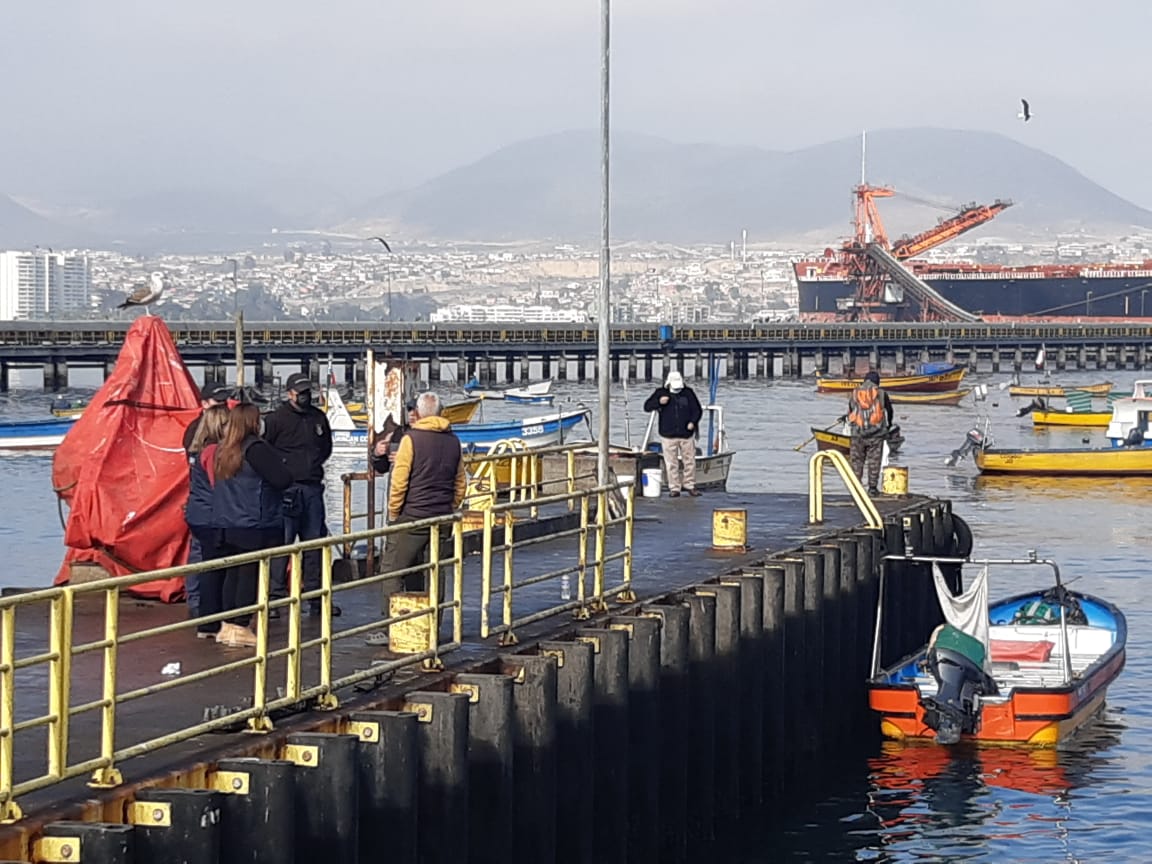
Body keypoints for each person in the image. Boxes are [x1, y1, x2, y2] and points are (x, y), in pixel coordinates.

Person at [366, 392, 466, 646]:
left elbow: (400, 481)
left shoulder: (412, 440)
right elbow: (461, 483)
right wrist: (450, 506)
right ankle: (433, 624)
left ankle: (391, 627)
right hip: (442, 516)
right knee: (435, 571)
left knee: (392, 569)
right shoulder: (454, 441)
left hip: (413, 515)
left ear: (419, 414)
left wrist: (394, 513)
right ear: (441, 413)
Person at [200, 404, 294, 647]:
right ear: (253, 422)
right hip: (254, 520)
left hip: (226, 520)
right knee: (248, 575)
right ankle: (241, 626)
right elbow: (282, 478)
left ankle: (228, 625)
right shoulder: (255, 448)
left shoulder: (222, 450)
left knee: (232, 573)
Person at [263, 372, 337, 616]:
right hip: (285, 490)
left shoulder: (318, 417)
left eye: (308, 391)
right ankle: (274, 600)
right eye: (300, 392)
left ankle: (315, 597)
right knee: (281, 546)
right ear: (289, 393)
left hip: (312, 489)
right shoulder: (275, 419)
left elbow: (326, 447)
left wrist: (313, 464)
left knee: (315, 544)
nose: (305, 396)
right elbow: (265, 451)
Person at [182, 382, 232, 618]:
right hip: (210, 506)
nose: (223, 408)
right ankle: (200, 604)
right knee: (204, 554)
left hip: (201, 505)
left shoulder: (199, 436)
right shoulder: (200, 437)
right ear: (204, 405)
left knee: (203, 552)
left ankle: (203, 603)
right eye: (217, 403)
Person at [643, 370, 704, 497]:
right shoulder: (661, 393)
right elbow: (647, 407)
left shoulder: (688, 393)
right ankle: (674, 488)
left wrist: (693, 422)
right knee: (671, 463)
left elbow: (697, 410)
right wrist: (659, 402)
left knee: (689, 461)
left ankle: (690, 485)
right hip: (668, 434)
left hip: (686, 434)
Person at [846, 370, 894, 496]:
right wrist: (888, 425)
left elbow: (851, 410)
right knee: (874, 461)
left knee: (856, 461)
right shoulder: (881, 393)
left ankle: (856, 488)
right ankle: (872, 489)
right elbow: (889, 410)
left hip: (858, 433)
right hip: (876, 434)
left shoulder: (855, 393)